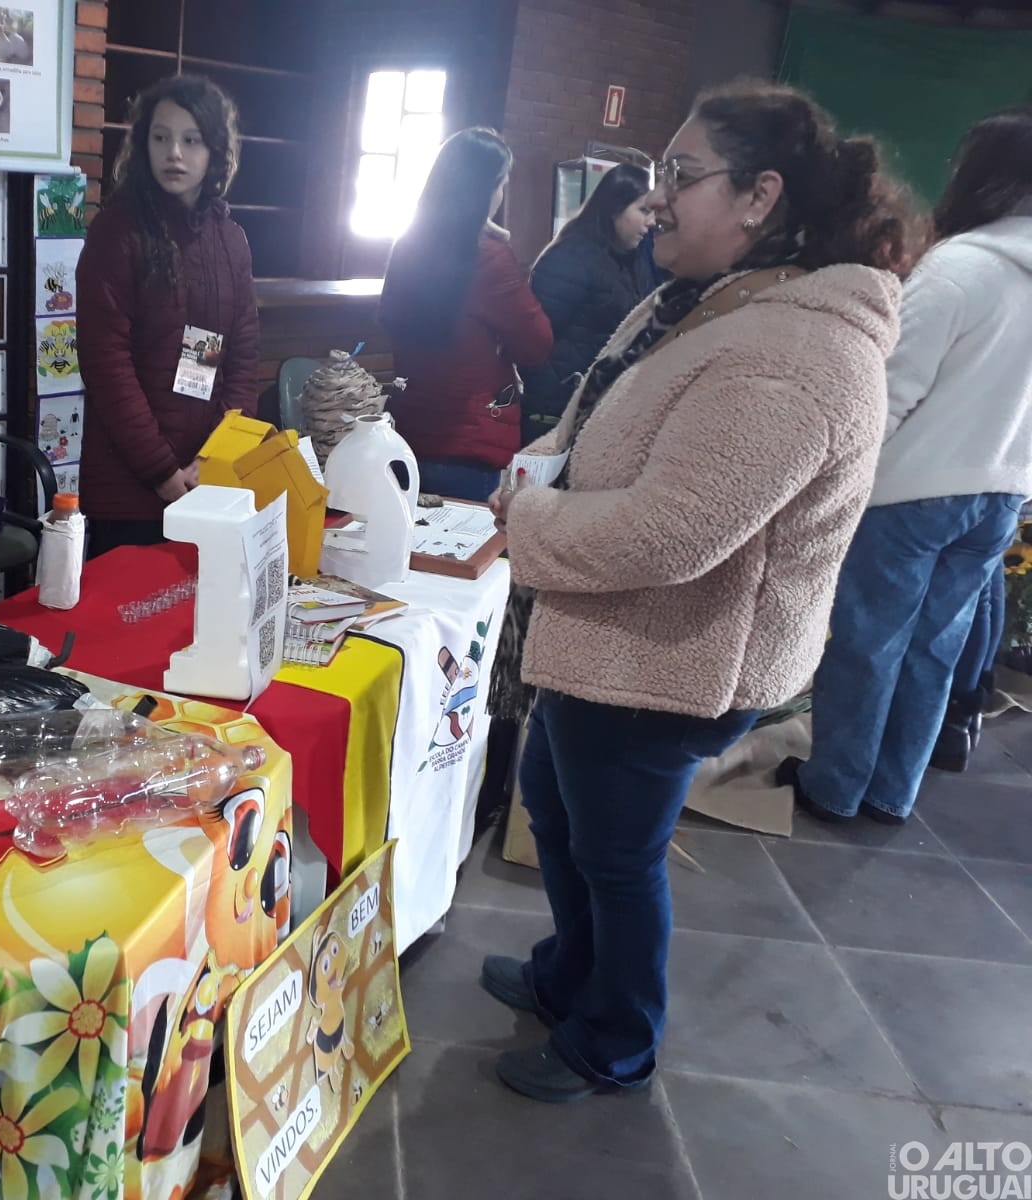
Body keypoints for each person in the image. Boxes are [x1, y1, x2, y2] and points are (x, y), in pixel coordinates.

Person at [483, 83, 918, 1103]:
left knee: (618, 853)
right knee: (553, 801)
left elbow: (671, 531)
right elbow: (595, 408)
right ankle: (569, 976)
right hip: (616, 639)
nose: (657, 197)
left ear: (761, 195)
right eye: (657, 173)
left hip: (675, 658)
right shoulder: (708, 294)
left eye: (682, 175)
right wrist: (539, 466)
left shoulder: (795, 349)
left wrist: (526, 524)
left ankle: (614, 1038)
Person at [783, 108, 1032, 814]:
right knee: (935, 649)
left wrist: (836, 479)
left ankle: (834, 787)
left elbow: (885, 394)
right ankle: (892, 792)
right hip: (1003, 490)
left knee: (867, 644)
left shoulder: (960, 266)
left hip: (913, 489)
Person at [76, 75, 258, 556]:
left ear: (215, 149)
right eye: (161, 138)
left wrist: (219, 456)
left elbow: (241, 357)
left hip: (207, 481)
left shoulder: (230, 238)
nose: (173, 153)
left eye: (190, 140)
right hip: (130, 487)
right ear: (143, 145)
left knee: (203, 625)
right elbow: (106, 364)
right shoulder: (116, 232)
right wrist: (160, 470)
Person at [379, 128, 553, 502]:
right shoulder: (488, 258)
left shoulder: (408, 246)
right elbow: (538, 343)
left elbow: (389, 318)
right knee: (469, 558)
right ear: (483, 191)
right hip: (471, 445)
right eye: (501, 185)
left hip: (407, 439)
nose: (501, 196)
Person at [519, 163, 658, 442]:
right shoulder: (571, 257)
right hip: (556, 411)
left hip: (600, 407)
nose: (651, 221)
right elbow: (530, 339)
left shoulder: (636, 259)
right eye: (643, 210)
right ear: (614, 208)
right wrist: (558, 392)